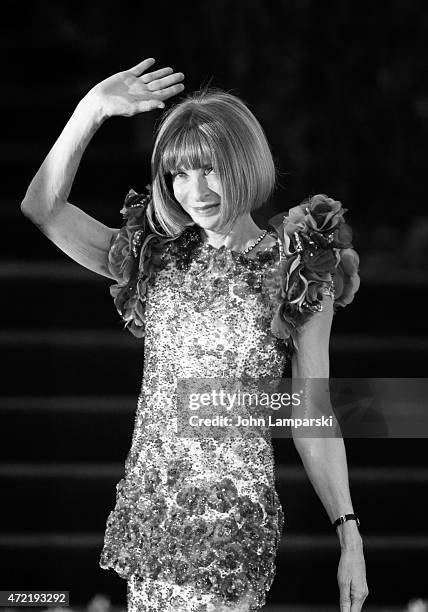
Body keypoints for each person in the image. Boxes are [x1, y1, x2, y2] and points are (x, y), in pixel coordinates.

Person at [21, 58, 368, 612]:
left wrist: (348, 531)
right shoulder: (151, 257)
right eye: (179, 174)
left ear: (244, 163)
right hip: (153, 517)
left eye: (210, 169)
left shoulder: (299, 270)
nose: (194, 190)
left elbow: (312, 416)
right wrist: (91, 110)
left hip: (228, 527)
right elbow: (42, 208)